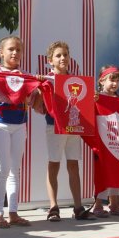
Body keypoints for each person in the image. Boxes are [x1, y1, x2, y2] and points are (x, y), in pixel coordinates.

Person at [0, 36, 37, 229]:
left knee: (15, 170)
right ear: (1, 52)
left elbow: (31, 100)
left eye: (19, 50)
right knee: (2, 169)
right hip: (1, 124)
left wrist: (37, 86)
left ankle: (13, 212)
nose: (15, 53)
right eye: (11, 49)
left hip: (20, 125)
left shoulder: (26, 75)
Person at [38, 41, 96, 221]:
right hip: (54, 126)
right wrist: (39, 88)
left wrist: (91, 98)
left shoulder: (76, 81)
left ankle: (78, 207)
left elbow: (82, 103)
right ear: (50, 60)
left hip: (73, 127)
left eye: (65, 55)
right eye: (58, 55)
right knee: (53, 164)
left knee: (73, 165)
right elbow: (40, 106)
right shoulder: (46, 79)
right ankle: (53, 207)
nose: (63, 58)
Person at [92, 65, 119, 217]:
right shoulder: (97, 97)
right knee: (102, 173)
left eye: (117, 80)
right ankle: (98, 205)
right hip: (102, 141)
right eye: (111, 79)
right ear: (101, 81)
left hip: (117, 141)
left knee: (116, 172)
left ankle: (114, 205)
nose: (115, 83)